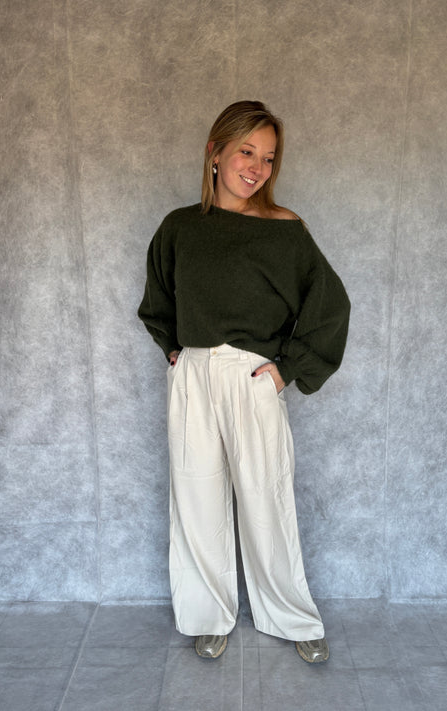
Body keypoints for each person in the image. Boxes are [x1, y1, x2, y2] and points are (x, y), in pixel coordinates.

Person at [138, 100, 350, 663]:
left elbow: (330, 307)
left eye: (269, 158)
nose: (257, 168)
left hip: (251, 376)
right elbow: (157, 300)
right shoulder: (180, 227)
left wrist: (287, 370)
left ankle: (292, 616)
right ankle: (208, 615)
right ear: (215, 152)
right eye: (246, 152)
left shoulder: (285, 231)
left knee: (265, 496)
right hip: (194, 376)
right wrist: (175, 351)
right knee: (196, 497)